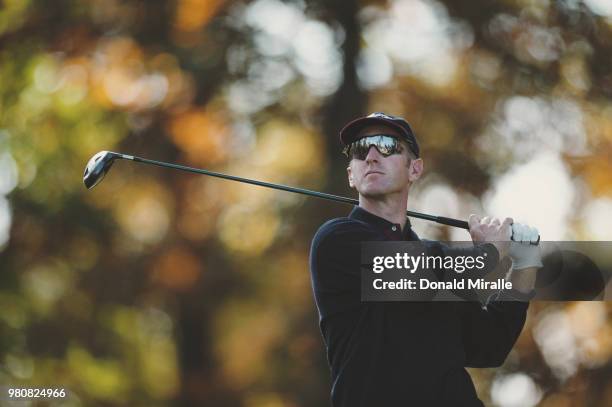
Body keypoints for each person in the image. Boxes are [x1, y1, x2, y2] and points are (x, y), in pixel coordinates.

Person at [308, 112, 542, 406]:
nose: (370, 156)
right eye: (359, 149)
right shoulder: (336, 240)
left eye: (387, 145)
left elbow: (489, 345)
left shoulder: (437, 264)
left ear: (415, 169)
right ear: (351, 175)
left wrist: (524, 267)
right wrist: (490, 253)